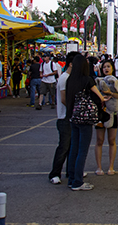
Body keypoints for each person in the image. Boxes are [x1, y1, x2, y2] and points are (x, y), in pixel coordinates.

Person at [66, 54, 105, 191]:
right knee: (83, 150)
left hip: (73, 117)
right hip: (85, 119)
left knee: (74, 149)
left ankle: (71, 179)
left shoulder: (70, 80)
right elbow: (100, 97)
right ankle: (78, 181)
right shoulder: (87, 80)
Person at [49, 52, 74, 185]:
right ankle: (55, 173)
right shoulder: (64, 78)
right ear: (71, 64)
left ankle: (70, 172)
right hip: (64, 117)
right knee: (64, 147)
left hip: (69, 117)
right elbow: (64, 99)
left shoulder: (69, 77)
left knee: (70, 146)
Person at [94, 59, 118, 176]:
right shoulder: (97, 82)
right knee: (99, 140)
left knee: (112, 140)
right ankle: (99, 167)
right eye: (104, 67)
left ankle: (111, 166)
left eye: (108, 67)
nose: (106, 69)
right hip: (100, 113)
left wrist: (110, 93)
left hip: (114, 113)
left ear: (112, 68)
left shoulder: (117, 82)